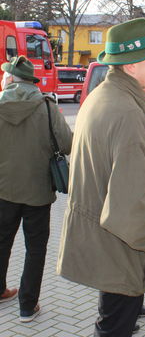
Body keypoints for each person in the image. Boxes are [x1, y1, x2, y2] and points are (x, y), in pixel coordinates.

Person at [57, 18, 145, 337]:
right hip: (123, 243)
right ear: (133, 65)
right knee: (113, 328)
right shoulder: (125, 112)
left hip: (109, 239)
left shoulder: (103, 96)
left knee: (112, 320)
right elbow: (130, 203)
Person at [0, 56, 72, 322]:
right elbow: (67, 144)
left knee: (1, 241)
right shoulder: (48, 106)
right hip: (38, 192)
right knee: (35, 249)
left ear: (10, 79)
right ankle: (27, 307)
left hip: (3, 190)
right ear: (31, 81)